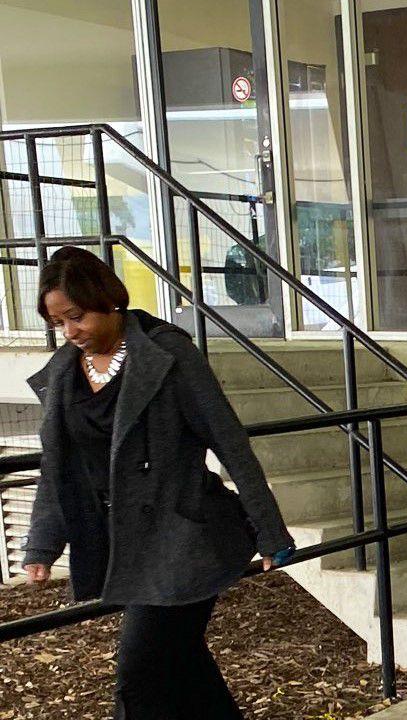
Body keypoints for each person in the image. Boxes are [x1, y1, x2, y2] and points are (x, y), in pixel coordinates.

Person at [21, 246, 295, 719]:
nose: (70, 333)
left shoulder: (168, 354)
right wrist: (42, 545)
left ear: (109, 300)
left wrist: (270, 530)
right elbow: (58, 468)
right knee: (182, 662)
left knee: (140, 673)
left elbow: (229, 442)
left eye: (78, 317)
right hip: (125, 540)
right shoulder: (66, 374)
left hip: (185, 535)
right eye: (58, 323)